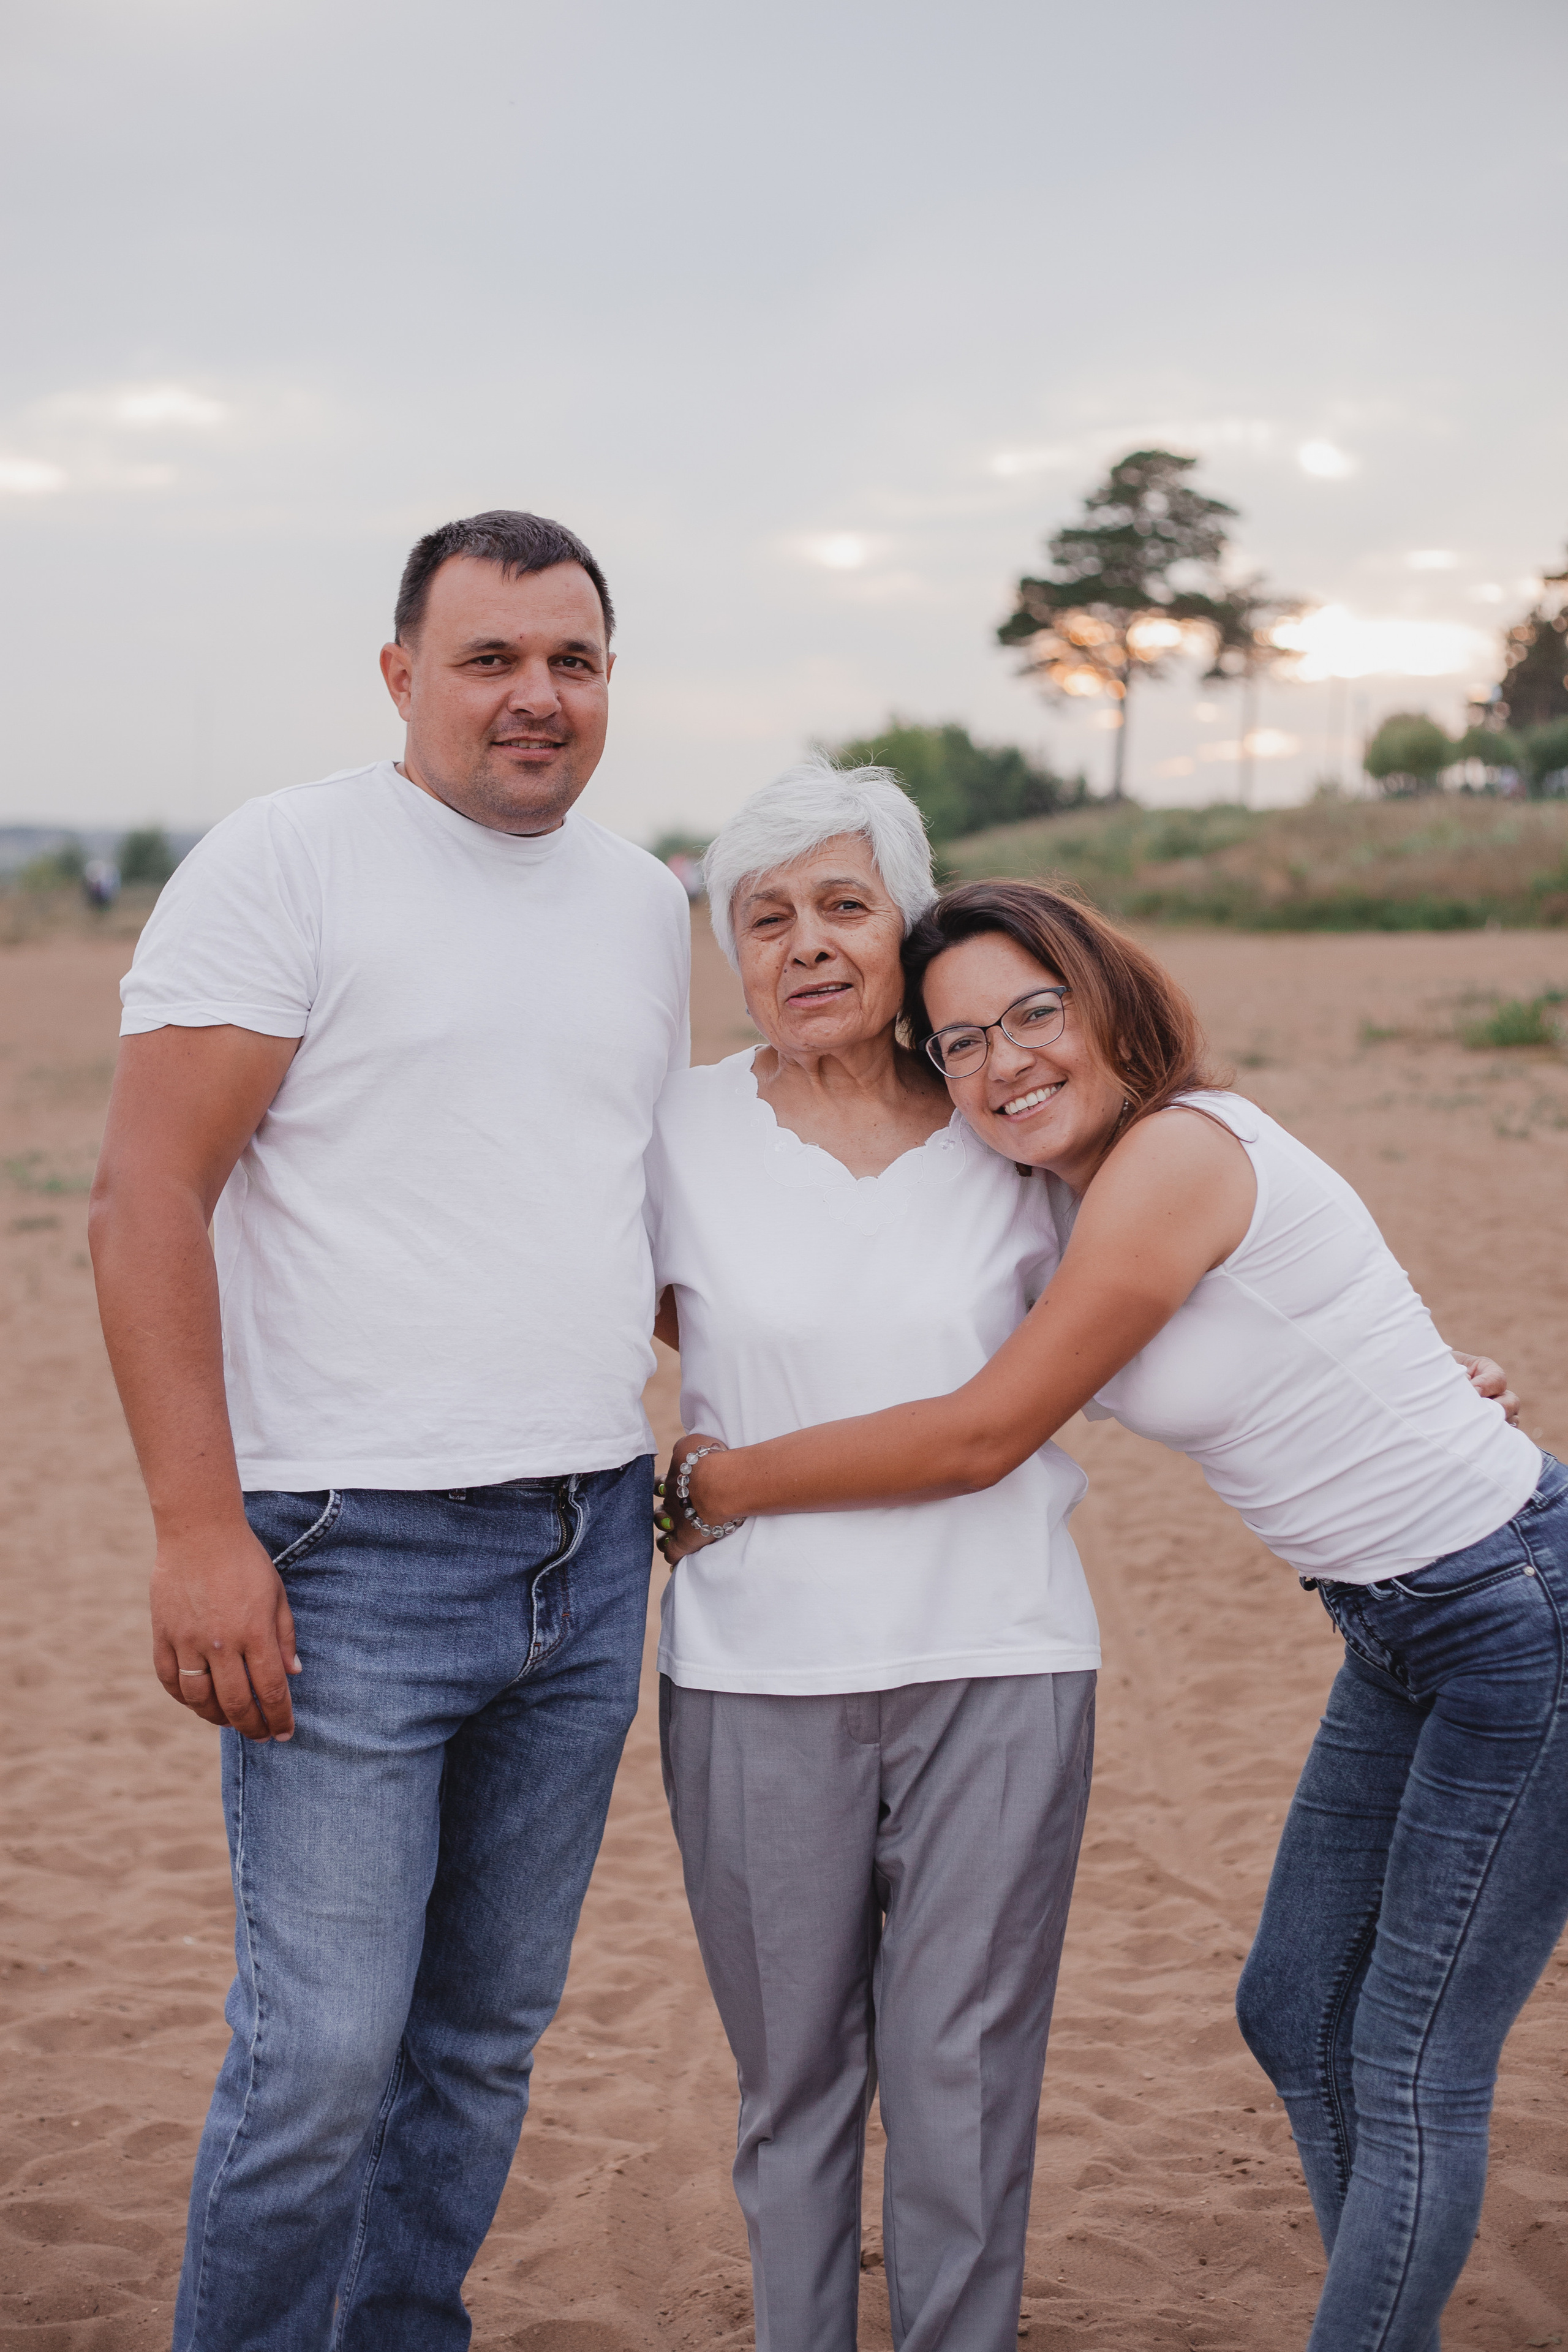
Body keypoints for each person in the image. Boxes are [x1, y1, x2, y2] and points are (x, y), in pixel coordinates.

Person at [664, 879, 1556, 2352]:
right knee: (1290, 2011)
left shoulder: (1170, 1160)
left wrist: (719, 1480)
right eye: (957, 1043)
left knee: (1406, 2059)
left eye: (1033, 1013)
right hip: (1396, 1622)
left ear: (1106, 1000)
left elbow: (975, 1434)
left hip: (1512, 1612)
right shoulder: (1070, 1192)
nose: (1003, 1061)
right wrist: (1421, 1370)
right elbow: (855, 1308)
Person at [89, 511, 691, 2352]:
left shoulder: (644, 900)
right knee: (323, 2056)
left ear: (608, 681)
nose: (535, 698)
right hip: (344, 1552)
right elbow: (142, 1198)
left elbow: (641, 1210)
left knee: (484, 2038)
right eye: (491, 658)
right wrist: (204, 1533)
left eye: (571, 660)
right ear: (401, 673)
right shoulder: (291, 860)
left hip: (586, 1548)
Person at [644, 764, 1099, 2352]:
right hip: (755, 1674)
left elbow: (1190, 1290)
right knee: (796, 2087)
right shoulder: (674, 1131)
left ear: (910, 924)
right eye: (766, 918)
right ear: (730, 952)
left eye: (846, 905)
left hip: (1003, 1655)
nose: (809, 944)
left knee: (965, 2086)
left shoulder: (1012, 1121)